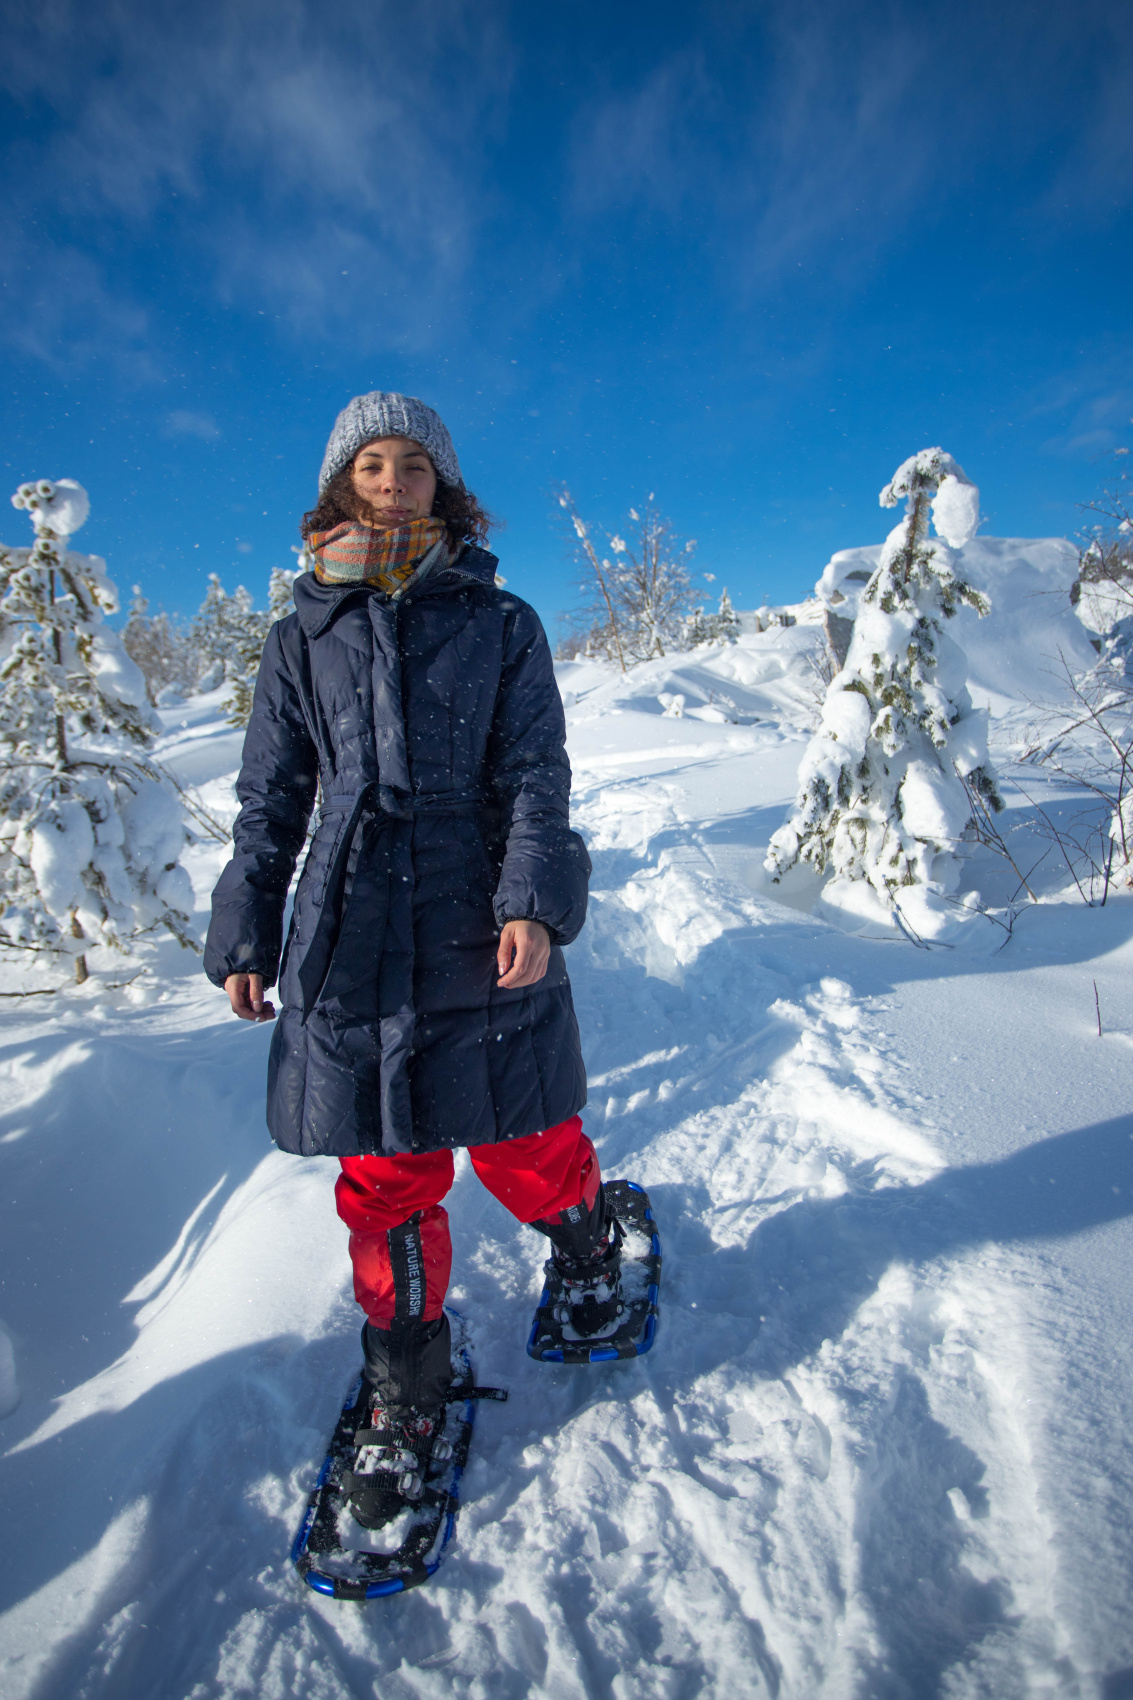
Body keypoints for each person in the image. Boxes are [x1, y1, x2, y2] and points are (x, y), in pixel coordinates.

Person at [204, 392, 619, 1528]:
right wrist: (245, 923)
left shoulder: (503, 621)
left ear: (444, 485)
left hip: (477, 902)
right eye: (372, 464)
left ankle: (581, 1238)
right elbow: (271, 796)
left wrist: (531, 899)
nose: (394, 482)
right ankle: (408, 1381)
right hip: (349, 924)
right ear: (343, 484)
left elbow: (535, 771)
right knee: (383, 1170)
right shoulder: (299, 638)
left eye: (414, 465)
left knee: (521, 1131)